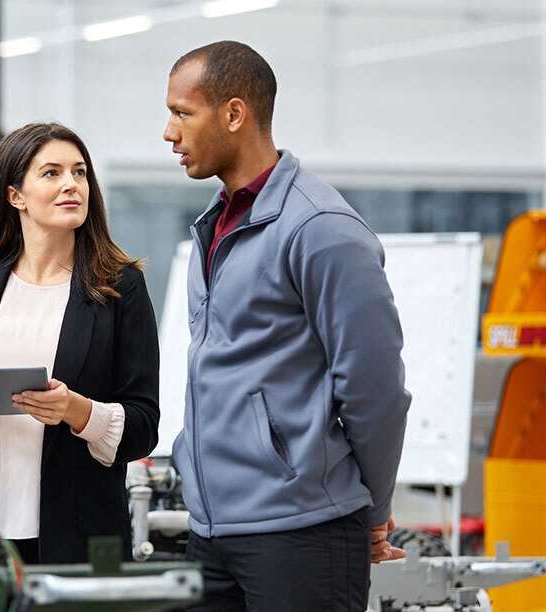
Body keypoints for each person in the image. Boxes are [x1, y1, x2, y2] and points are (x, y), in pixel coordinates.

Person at [163, 41, 411, 610]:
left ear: (233, 114)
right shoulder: (217, 222)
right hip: (211, 529)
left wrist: (373, 509)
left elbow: (374, 388)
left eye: (182, 113)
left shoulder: (319, 228)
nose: (169, 133)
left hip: (301, 530)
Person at [0, 122, 160, 564]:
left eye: (80, 172)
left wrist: (77, 411)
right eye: (52, 173)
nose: (72, 184)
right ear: (16, 196)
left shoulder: (121, 288)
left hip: (81, 540)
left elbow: (144, 426)